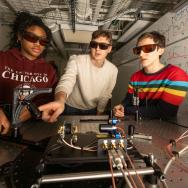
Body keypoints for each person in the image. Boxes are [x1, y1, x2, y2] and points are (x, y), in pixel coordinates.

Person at [39, 30, 118, 122]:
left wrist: (99, 112)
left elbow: (106, 94)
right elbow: (67, 80)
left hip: (91, 109)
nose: (97, 48)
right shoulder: (76, 60)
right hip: (69, 107)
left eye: (103, 46)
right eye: (94, 44)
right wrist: (60, 100)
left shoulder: (113, 70)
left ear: (109, 49)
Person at [0, 11, 58, 134]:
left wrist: (35, 111)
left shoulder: (49, 70)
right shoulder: (2, 58)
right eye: (32, 37)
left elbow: (49, 99)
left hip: (31, 129)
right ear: (19, 37)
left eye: (43, 41)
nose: (37, 43)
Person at [113, 31, 188, 120]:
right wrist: (121, 106)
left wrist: (127, 110)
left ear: (160, 50)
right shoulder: (135, 77)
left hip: (164, 128)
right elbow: (129, 99)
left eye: (148, 48)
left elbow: (165, 112)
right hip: (136, 123)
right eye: (138, 50)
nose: (141, 54)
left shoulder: (177, 75)